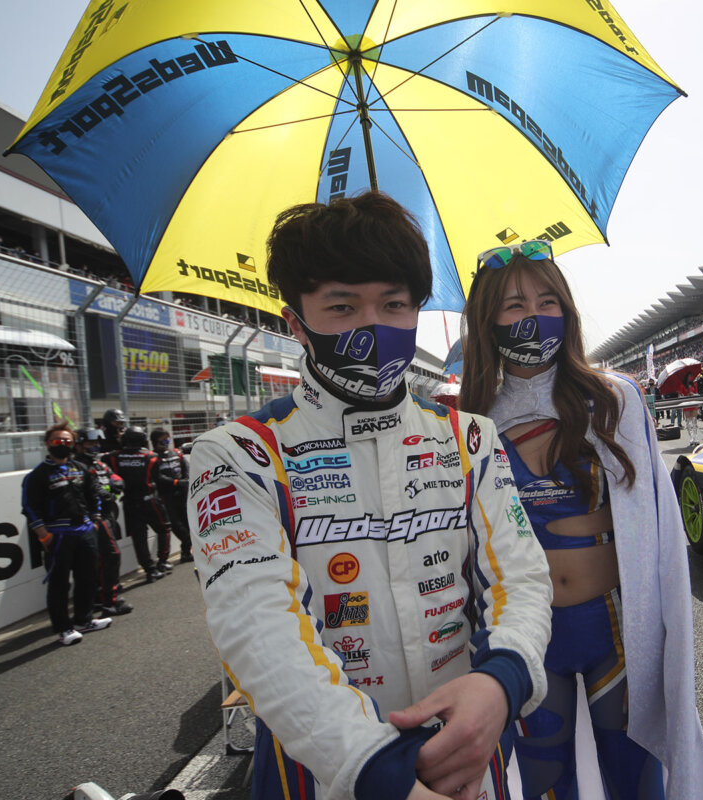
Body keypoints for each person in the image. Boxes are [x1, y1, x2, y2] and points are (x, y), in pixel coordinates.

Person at [189, 192, 553, 800]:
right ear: (295, 323)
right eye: (342, 306)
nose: (373, 325)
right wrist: (379, 770)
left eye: (393, 304)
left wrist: (503, 682)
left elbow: (522, 578)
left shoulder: (470, 437)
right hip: (327, 777)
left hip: (469, 752)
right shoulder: (239, 454)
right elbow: (257, 629)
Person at [459, 239, 703, 800]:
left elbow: (655, 530)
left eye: (547, 301)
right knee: (546, 785)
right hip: (527, 639)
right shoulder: (471, 423)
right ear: (487, 321)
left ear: (568, 310)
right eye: (514, 305)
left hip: (616, 634)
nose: (533, 316)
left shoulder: (615, 399)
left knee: (638, 784)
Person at [20, 422, 112, 646]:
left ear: (73, 444)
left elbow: (94, 495)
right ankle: (63, 628)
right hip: (58, 535)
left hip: (85, 531)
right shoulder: (38, 475)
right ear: (47, 444)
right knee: (59, 584)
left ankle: (84, 620)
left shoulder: (80, 468)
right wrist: (43, 534)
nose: (62, 444)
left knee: (88, 578)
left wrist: (95, 520)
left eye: (67, 441)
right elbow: (29, 507)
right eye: (57, 441)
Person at [106, 425, 173, 582]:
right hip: (150, 500)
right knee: (164, 528)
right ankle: (162, 562)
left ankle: (150, 570)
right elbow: (157, 478)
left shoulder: (112, 457)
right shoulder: (151, 457)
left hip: (129, 502)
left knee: (139, 537)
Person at [77, 426, 133, 616]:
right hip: (94, 517)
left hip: (108, 515)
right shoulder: (78, 466)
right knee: (111, 555)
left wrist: (115, 484)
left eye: (96, 442)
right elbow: (93, 491)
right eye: (90, 443)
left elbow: (116, 478)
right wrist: (107, 492)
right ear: (79, 445)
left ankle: (101, 597)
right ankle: (109, 601)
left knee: (103, 558)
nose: (95, 446)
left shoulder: (99, 464)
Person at [151, 428, 193, 563]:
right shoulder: (153, 457)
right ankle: (183, 551)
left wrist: (185, 481)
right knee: (178, 527)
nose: (166, 442)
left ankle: (186, 553)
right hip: (166, 496)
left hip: (182, 494)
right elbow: (157, 477)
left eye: (167, 439)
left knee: (190, 525)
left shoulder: (176, 453)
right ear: (155, 442)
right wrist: (175, 482)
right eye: (162, 440)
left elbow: (186, 468)